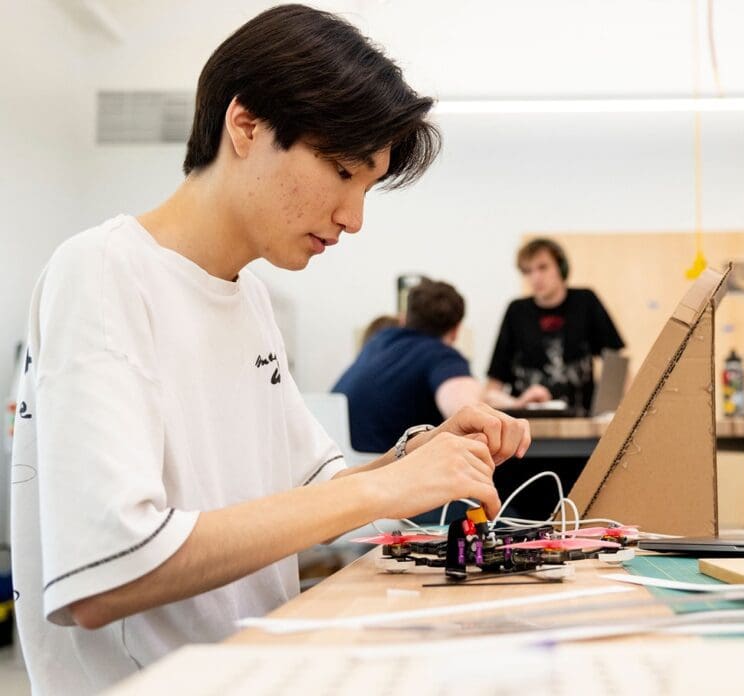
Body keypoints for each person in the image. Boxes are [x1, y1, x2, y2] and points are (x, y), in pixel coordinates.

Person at [10, 6, 529, 694]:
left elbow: (314, 497)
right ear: (246, 123)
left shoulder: (247, 299)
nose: (354, 218)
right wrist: (389, 485)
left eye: (367, 187)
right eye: (342, 171)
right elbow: (109, 571)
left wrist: (418, 457)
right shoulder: (104, 272)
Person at [333, 278, 481, 453]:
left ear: (404, 319)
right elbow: (469, 417)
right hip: (387, 468)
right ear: (456, 330)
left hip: (339, 466)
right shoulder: (442, 356)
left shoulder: (379, 341)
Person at [486, 238, 625, 413]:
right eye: (528, 271)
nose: (535, 277)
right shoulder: (516, 311)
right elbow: (492, 389)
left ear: (561, 267)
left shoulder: (585, 301)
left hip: (582, 422)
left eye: (542, 267)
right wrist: (518, 403)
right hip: (529, 424)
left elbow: (617, 367)